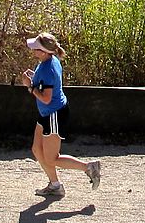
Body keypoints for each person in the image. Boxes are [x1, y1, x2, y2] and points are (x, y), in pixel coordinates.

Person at [20, 32, 101, 197]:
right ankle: (55, 185)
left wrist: (29, 86)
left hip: (54, 114)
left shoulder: (47, 69)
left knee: (51, 158)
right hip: (47, 114)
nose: (32, 51)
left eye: (35, 48)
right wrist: (35, 79)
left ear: (43, 52)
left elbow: (47, 98)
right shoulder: (47, 62)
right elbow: (48, 86)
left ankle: (88, 167)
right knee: (37, 149)